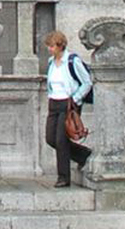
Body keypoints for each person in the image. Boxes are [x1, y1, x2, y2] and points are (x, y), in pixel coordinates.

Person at [42, 30, 93, 188]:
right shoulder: (51, 62)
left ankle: (63, 177)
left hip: (68, 103)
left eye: (51, 46)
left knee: (61, 140)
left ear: (59, 46)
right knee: (51, 138)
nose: (49, 49)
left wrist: (76, 98)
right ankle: (83, 155)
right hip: (54, 102)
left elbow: (87, 82)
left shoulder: (72, 61)